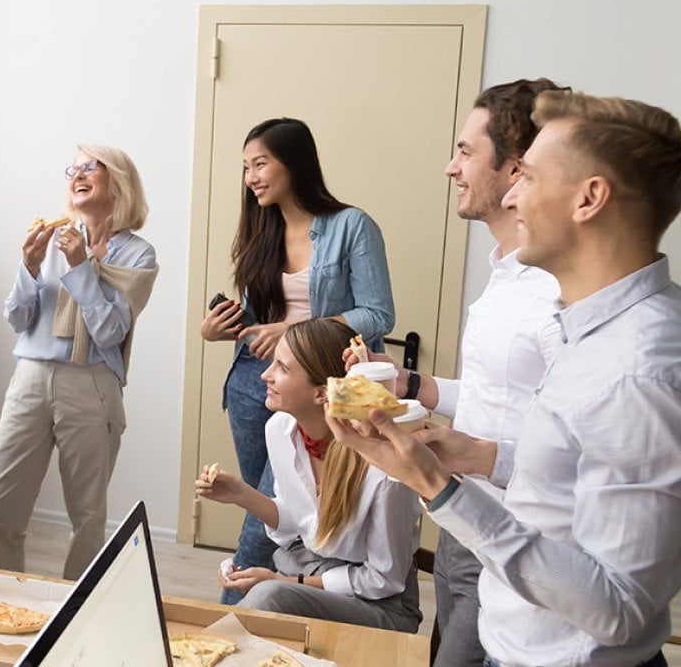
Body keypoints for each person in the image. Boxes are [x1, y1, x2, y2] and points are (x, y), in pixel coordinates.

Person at [330, 91, 681, 667]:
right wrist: (465, 453)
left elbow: (619, 608)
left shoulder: (638, 368)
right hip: (517, 637)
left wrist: (435, 485)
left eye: (531, 178)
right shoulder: (591, 328)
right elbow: (571, 480)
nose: (513, 196)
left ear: (589, 199)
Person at [343, 79, 566, 667]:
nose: (451, 167)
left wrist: (473, 455)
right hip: (464, 517)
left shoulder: (557, 293)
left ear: (517, 169)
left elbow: (575, 451)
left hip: (521, 535)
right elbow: (501, 393)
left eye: (466, 151)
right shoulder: (505, 275)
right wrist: (412, 385)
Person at [199, 118, 395, 603]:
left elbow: (378, 314)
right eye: (246, 167)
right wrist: (214, 328)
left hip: (323, 385)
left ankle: (237, 618)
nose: (251, 176)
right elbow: (256, 318)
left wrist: (291, 331)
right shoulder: (260, 230)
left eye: (260, 163)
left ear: (295, 163)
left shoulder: (352, 225)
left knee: (262, 522)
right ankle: (290, 607)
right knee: (272, 510)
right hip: (254, 380)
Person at [0, 145, 158, 580]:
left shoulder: (138, 256)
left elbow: (111, 332)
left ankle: (75, 616)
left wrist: (80, 266)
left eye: (89, 167)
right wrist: (30, 265)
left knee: (87, 516)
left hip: (92, 385)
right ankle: (5, 601)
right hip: (31, 377)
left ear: (118, 182)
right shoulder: (50, 238)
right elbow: (17, 318)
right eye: (72, 168)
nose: (76, 174)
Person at [197, 318, 421, 632]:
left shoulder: (383, 468)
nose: (265, 375)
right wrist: (241, 494)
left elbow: (384, 579)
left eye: (282, 368)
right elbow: (297, 526)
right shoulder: (281, 429)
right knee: (268, 595)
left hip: (379, 603)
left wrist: (285, 581)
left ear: (321, 394)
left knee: (269, 596)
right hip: (312, 570)